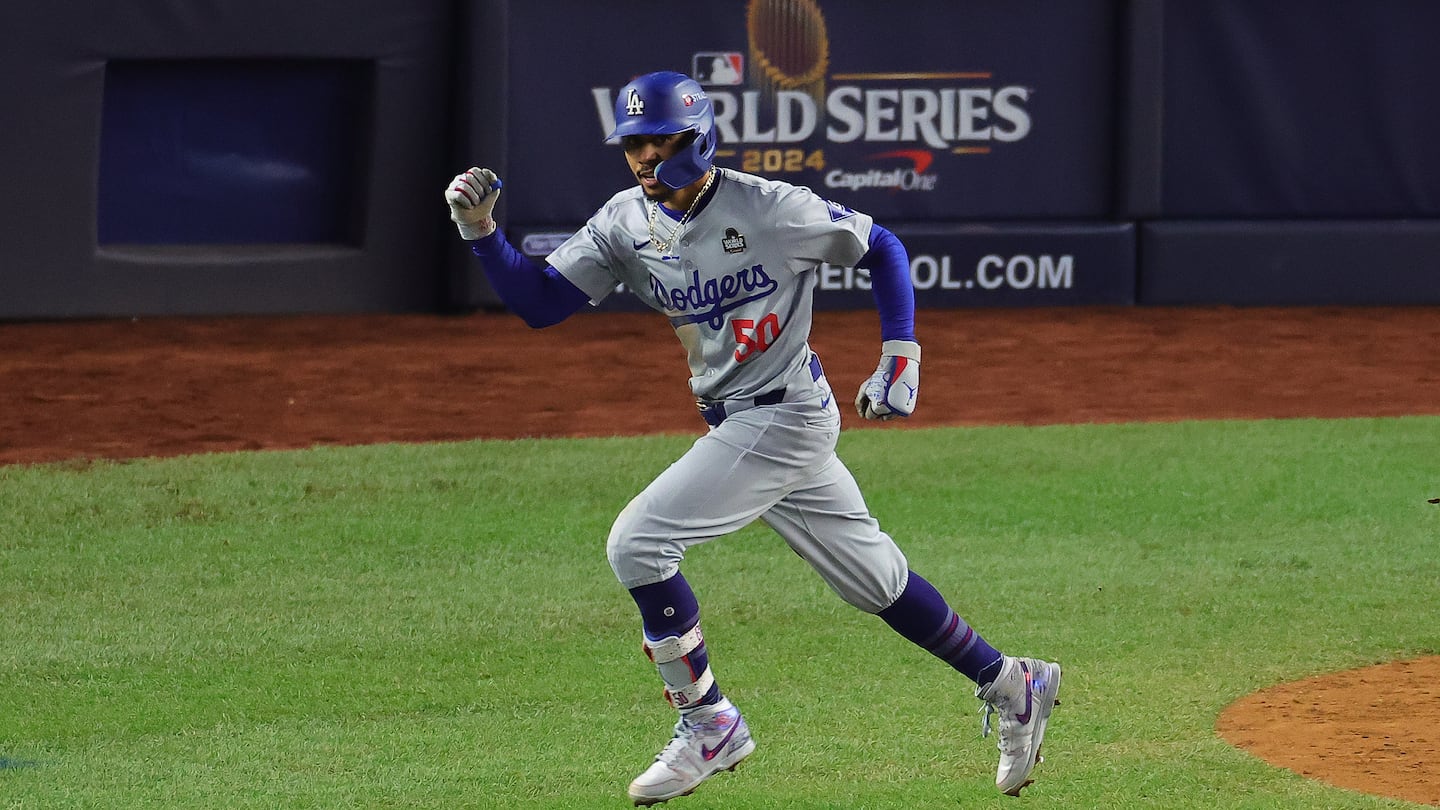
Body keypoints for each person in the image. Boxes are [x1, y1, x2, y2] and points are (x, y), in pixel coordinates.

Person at [444, 71, 1061, 806]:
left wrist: (901, 355)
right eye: (632, 142)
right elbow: (543, 303)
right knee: (878, 584)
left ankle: (709, 722)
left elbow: (881, 246)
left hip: (785, 414)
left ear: (697, 135)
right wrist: (481, 232)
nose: (643, 156)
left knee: (637, 544)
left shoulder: (769, 207)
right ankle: (1013, 682)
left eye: (659, 139)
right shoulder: (624, 222)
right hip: (744, 418)